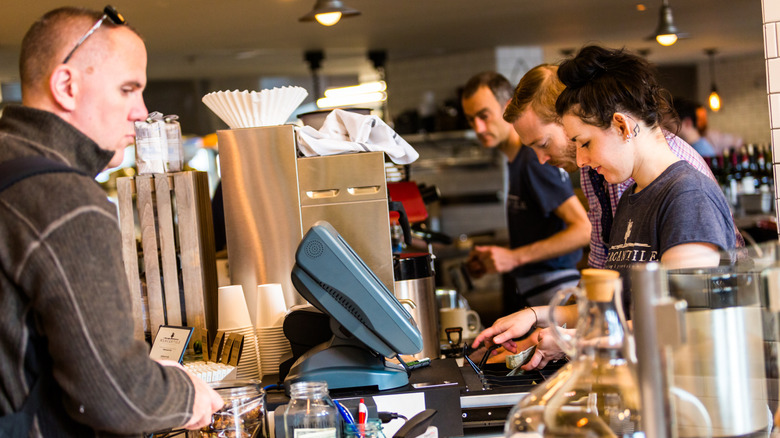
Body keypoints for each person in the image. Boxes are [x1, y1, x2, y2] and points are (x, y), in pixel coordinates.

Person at [0, 7, 223, 436]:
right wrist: (187, 394)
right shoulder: (66, 201)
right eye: (127, 89)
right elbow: (116, 398)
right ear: (66, 85)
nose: (140, 112)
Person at [474, 47, 737, 370]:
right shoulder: (630, 196)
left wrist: (572, 341)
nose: (581, 159)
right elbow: (611, 306)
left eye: (584, 143)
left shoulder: (687, 195)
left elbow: (685, 326)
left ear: (622, 127)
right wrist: (537, 317)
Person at [460, 72, 590, 309]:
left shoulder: (533, 159)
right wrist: (500, 258)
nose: (478, 127)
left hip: (556, 290)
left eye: (484, 116)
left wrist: (513, 257)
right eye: (471, 120)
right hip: (538, 290)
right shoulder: (518, 160)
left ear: (508, 107)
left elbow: (583, 229)